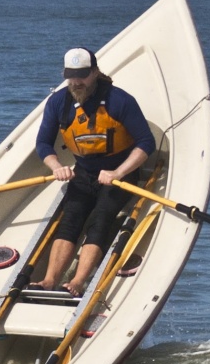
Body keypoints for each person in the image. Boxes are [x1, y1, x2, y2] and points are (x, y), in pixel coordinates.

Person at [31, 47, 156, 296]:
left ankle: (77, 282)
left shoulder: (119, 100)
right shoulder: (58, 102)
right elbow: (43, 143)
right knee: (70, 219)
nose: (77, 82)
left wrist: (118, 172)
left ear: (96, 72)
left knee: (101, 219)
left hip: (119, 176)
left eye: (83, 75)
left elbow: (146, 143)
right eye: (71, 76)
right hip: (83, 173)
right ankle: (49, 281)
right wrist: (57, 167)